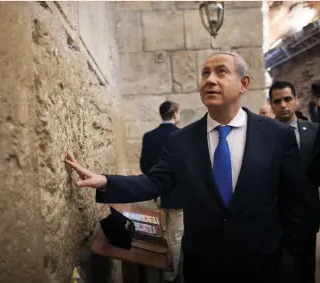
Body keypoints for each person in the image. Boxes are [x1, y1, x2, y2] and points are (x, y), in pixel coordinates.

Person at [65, 52, 314, 283]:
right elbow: (154, 182)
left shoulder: (276, 135)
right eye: (205, 73)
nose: (210, 80)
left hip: (265, 265)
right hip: (204, 268)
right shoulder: (181, 141)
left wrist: (292, 264)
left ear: (244, 84)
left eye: (221, 72)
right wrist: (106, 181)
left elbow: (296, 206)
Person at [268, 80, 319, 283]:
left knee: (306, 269)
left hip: (307, 215)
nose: (283, 105)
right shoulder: (264, 135)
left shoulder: (315, 131)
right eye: (277, 101)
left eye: (288, 99)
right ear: (271, 104)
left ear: (296, 100)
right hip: (275, 216)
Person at [140, 100, 183, 283]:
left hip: (156, 192)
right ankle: (171, 275)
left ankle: (158, 269)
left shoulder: (148, 136)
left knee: (160, 234)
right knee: (175, 237)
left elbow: (143, 166)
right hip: (177, 195)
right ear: (175, 114)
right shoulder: (182, 135)